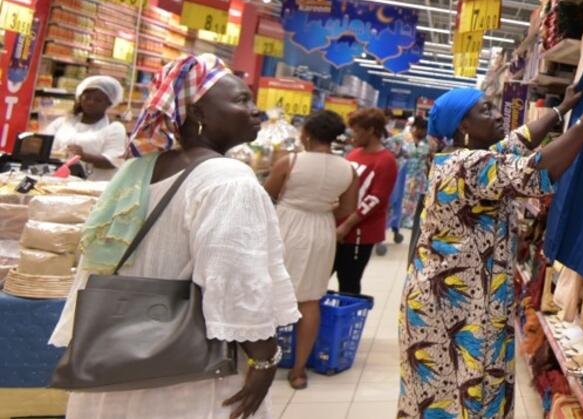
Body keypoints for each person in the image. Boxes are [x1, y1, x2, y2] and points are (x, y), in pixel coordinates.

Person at [49, 54, 298, 419]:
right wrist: (264, 358)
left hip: (115, 363)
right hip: (188, 375)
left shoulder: (138, 169)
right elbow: (233, 278)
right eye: (242, 100)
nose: (255, 110)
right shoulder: (227, 178)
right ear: (197, 114)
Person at [398, 83, 583, 418]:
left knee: (450, 394)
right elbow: (541, 168)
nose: (496, 115)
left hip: (453, 300)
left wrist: (562, 109)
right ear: (463, 126)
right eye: (484, 110)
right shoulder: (468, 166)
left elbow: (519, 139)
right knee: (460, 394)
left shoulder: (465, 157)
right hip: (454, 311)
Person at [264, 109, 358, 390]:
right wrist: (323, 206)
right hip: (321, 231)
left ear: (306, 134)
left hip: (287, 226)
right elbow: (348, 209)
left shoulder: (289, 162)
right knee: (310, 299)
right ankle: (298, 371)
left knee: (270, 293)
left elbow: (266, 194)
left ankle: (262, 363)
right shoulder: (348, 169)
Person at [335, 107, 398, 295]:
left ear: (370, 130)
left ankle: (345, 323)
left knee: (348, 282)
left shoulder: (386, 161)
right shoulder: (354, 154)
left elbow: (375, 199)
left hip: (360, 233)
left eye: (356, 130)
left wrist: (347, 225)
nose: (353, 135)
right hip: (339, 228)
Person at [44, 75, 128, 181]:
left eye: (98, 100)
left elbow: (113, 161)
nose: (90, 102)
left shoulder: (114, 128)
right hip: (59, 184)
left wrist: (84, 156)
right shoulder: (62, 122)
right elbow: (46, 149)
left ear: (109, 103)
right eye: (87, 97)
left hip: (94, 187)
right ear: (80, 97)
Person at [391, 115, 434, 233]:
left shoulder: (428, 143)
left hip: (419, 177)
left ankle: (409, 221)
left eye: (426, 130)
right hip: (402, 175)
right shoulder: (400, 138)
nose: (425, 132)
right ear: (415, 128)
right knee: (399, 197)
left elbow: (431, 158)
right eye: (422, 129)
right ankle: (396, 221)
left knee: (415, 199)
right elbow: (389, 153)